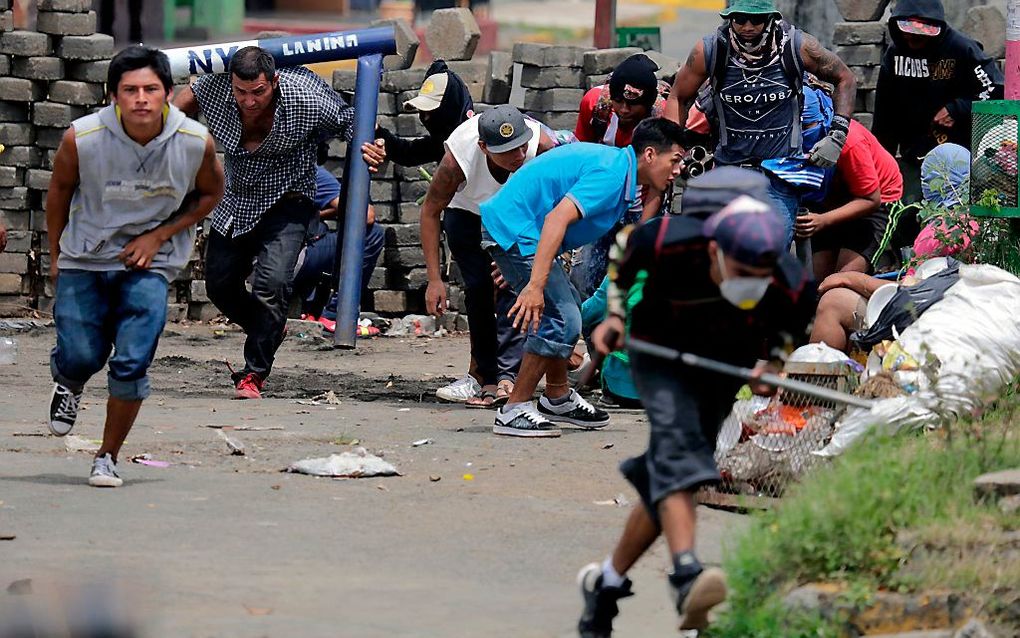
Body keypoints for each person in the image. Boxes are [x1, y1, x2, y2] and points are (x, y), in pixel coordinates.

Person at [576, 195, 815, 635]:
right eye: (741, 273)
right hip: (659, 353)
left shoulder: (791, 282)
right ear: (714, 252)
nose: (750, 283)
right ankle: (686, 576)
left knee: (664, 476)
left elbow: (787, 333)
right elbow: (622, 251)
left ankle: (606, 584)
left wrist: (773, 368)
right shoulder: (671, 241)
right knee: (680, 452)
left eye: (758, 277)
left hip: (721, 366)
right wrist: (614, 315)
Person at [44, 46, 224, 487]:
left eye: (151, 89)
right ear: (113, 96)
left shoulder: (193, 142)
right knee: (82, 354)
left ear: (167, 93)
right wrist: (55, 255)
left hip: (150, 263)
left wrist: (159, 235)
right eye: (130, 90)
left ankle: (106, 456)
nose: (141, 98)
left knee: (132, 361)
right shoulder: (81, 138)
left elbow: (210, 195)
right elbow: (59, 193)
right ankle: (68, 380)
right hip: (85, 257)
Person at [174, 47, 383, 399]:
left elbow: (354, 121)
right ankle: (269, 328)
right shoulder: (214, 87)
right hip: (237, 199)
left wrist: (373, 145)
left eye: (258, 92)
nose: (250, 101)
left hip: (289, 201)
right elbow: (176, 110)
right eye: (241, 92)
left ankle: (253, 375)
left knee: (271, 284)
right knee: (219, 286)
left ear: (274, 81)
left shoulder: (306, 99)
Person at [479, 118, 685, 437]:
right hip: (520, 229)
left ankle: (558, 396)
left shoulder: (620, 170)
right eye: (675, 160)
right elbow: (557, 218)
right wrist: (533, 282)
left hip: (519, 230)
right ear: (649, 154)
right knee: (562, 318)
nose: (677, 171)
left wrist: (522, 265)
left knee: (567, 305)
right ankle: (513, 409)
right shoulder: (613, 175)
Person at [361, 61, 498, 404]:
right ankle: (482, 375)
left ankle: (556, 362)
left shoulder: (483, 134)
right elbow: (410, 154)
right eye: (423, 114)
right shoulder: (444, 138)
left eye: (432, 113)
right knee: (480, 294)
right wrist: (377, 132)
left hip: (503, 221)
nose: (426, 120)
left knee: (510, 294)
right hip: (463, 218)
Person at [665, 0, 857, 245]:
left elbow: (845, 78)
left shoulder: (797, 46)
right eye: (740, 19)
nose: (747, 27)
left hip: (780, 173)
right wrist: (672, 151)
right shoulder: (711, 49)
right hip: (729, 169)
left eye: (755, 20)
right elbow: (679, 96)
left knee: (768, 251)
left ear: (770, 20)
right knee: (723, 249)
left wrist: (837, 135)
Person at [422, 104, 557, 408]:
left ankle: (509, 377)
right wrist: (434, 279)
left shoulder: (541, 147)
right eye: (507, 151)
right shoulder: (458, 159)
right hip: (467, 212)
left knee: (512, 282)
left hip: (517, 213)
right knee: (479, 288)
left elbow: (552, 205)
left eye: (521, 147)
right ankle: (484, 376)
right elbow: (430, 212)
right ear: (483, 147)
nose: (518, 156)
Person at [872, 0, 1004, 203]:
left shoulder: (961, 48)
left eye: (923, 28)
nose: (914, 35)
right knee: (907, 213)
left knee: (956, 213)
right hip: (914, 156)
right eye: (908, 28)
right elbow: (884, 115)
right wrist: (881, 164)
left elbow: (995, 88)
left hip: (959, 158)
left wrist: (957, 109)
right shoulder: (895, 54)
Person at [572, 53, 670, 297]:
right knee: (585, 273)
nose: (624, 110)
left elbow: (659, 187)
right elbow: (580, 157)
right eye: (618, 101)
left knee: (638, 272)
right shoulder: (596, 105)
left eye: (633, 105)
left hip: (641, 202)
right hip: (600, 199)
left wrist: (641, 231)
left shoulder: (662, 119)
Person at [794, 82, 904, 278]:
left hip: (874, 202)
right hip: (827, 200)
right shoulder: (785, 139)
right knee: (814, 279)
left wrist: (823, 220)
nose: (802, 135)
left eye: (807, 127)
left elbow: (871, 199)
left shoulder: (850, 142)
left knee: (841, 280)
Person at [292, 166, 385, 332]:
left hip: (259, 269)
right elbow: (367, 216)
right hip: (292, 261)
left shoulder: (256, 165)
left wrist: (315, 215)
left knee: (319, 233)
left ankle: (310, 309)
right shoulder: (308, 170)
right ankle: (335, 315)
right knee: (372, 235)